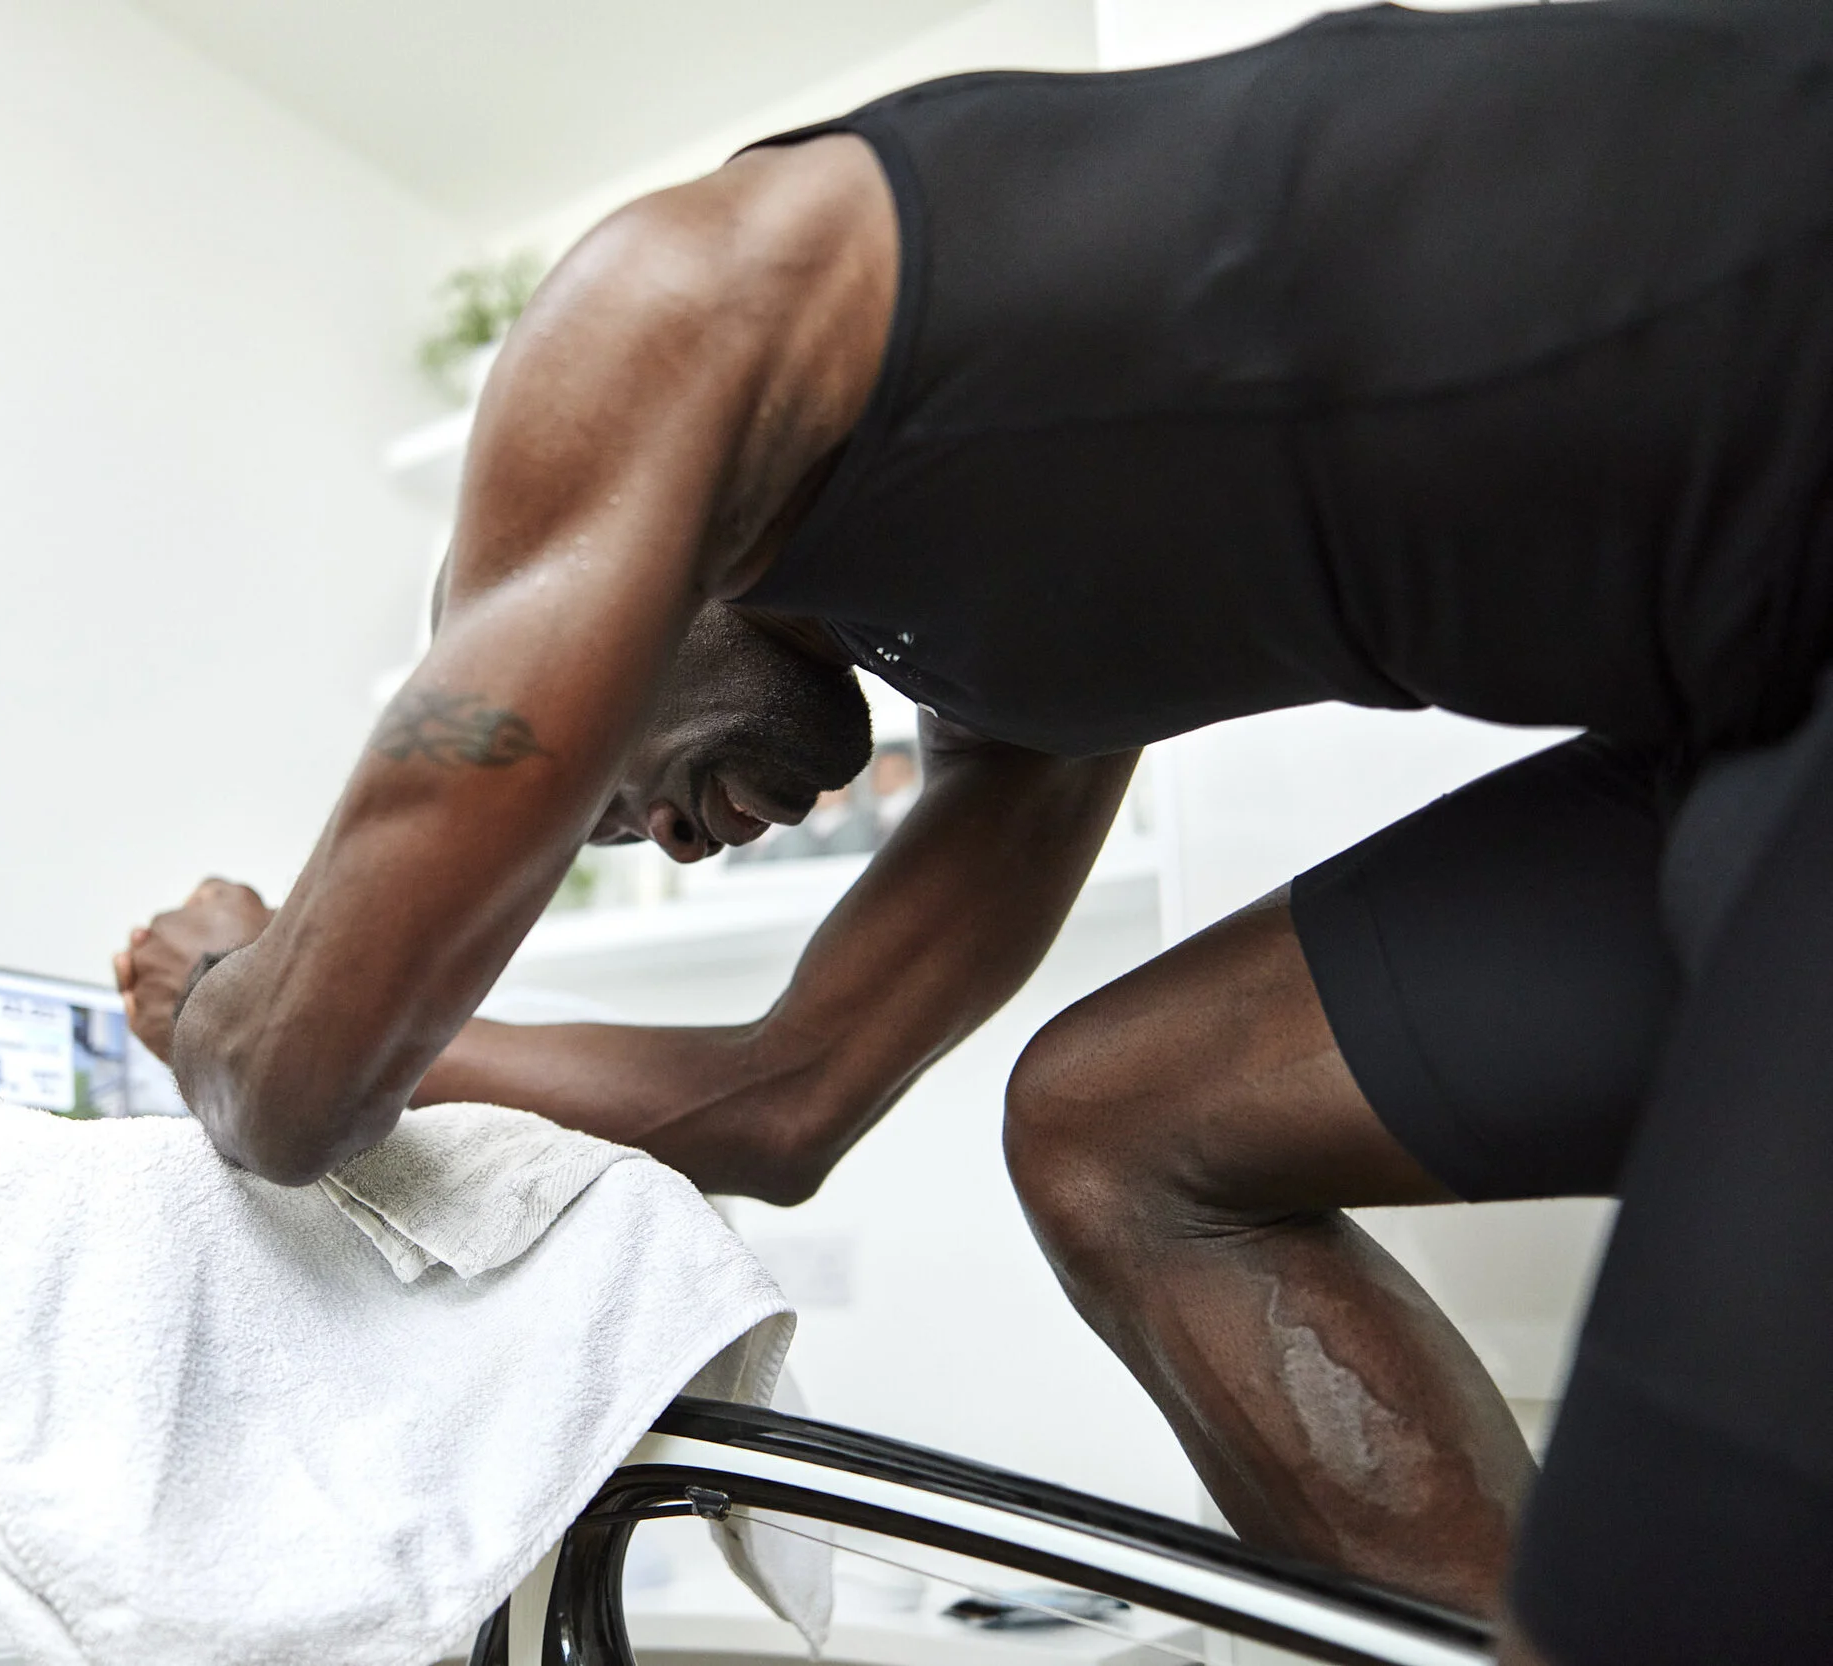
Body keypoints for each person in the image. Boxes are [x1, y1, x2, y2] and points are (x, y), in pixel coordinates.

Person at [113, 4, 1833, 1658]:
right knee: (1114, 1126)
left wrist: (230, 989)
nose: (663, 841)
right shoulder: (1026, 688)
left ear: (599, 587)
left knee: (1648, 1595)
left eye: (602, 797)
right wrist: (347, 1025)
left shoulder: (666, 314)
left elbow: (296, 1087)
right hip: (1737, 717)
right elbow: (784, 1097)